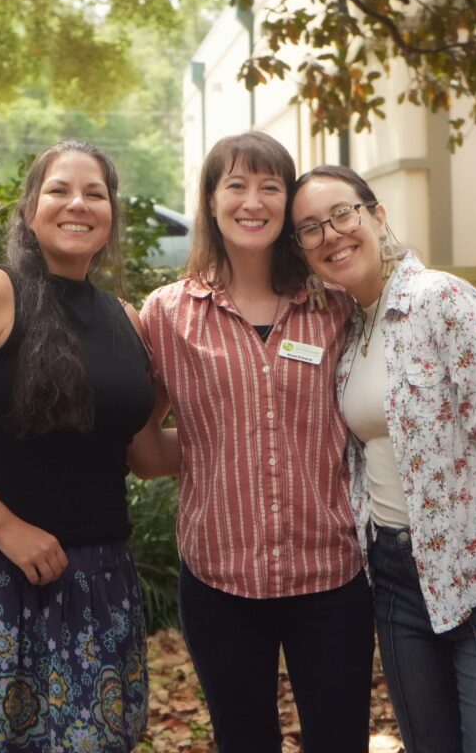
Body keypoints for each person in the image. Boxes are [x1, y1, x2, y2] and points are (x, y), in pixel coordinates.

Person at [0, 140, 175, 753]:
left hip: (97, 579)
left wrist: (259, 435)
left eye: (95, 193)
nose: (78, 204)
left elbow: (148, 457)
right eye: (59, 190)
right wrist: (7, 528)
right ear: (29, 210)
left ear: (112, 215)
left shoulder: (126, 318)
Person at [290, 164, 476, 753]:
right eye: (311, 228)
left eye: (342, 214)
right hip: (396, 580)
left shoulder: (443, 301)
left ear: (377, 216)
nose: (331, 234)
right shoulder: (349, 330)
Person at [139, 132, 373, 753]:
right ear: (210, 201)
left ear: (288, 203)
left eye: (271, 187)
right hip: (220, 580)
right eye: (236, 185)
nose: (253, 201)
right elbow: (143, 445)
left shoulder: (335, 305)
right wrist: (209, 447)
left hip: (330, 574)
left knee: (340, 742)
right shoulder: (168, 315)